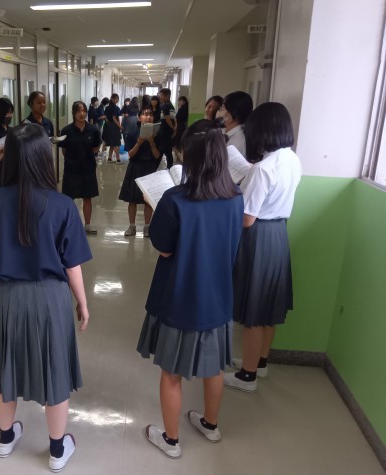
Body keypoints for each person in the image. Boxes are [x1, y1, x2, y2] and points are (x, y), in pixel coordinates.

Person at [0, 123, 92, 472]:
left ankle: (5, 439)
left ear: (10, 157)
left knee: (6, 370)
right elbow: (72, 265)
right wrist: (83, 303)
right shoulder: (62, 205)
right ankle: (57, 449)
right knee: (54, 371)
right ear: (45, 157)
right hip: (50, 299)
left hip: (9, 296)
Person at [137, 119, 244, 459]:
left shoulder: (175, 199)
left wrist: (155, 207)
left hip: (180, 298)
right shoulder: (235, 197)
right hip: (217, 298)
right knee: (214, 367)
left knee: (172, 373)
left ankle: (171, 441)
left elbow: (164, 248)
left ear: (190, 157)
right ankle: (211, 425)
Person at [224, 102, 302, 393]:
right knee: (268, 304)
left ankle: (247, 375)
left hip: (258, 238)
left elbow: (247, 219)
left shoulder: (263, 169)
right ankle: (261, 362)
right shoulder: (292, 159)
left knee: (254, 311)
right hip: (278, 234)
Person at [58, 101, 102, 235]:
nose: (82, 114)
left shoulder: (93, 130)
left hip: (88, 169)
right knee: (69, 199)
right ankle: (68, 225)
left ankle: (87, 225)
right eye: (78, 111)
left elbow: (96, 148)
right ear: (73, 113)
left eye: (84, 111)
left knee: (87, 198)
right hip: (71, 170)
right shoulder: (66, 130)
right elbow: (64, 150)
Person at [119, 107, 161, 238]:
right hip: (135, 167)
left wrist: (152, 143)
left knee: (148, 200)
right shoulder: (132, 131)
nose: (148, 117)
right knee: (132, 199)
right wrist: (139, 143)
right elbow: (129, 155)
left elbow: (157, 156)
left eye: (150, 115)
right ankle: (132, 226)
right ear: (139, 117)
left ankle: (147, 227)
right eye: (145, 114)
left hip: (150, 167)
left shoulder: (157, 133)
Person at [217, 91, 253, 156]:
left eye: (222, 108)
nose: (218, 111)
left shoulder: (239, 141)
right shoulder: (221, 132)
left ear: (232, 113)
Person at [156, 88, 176, 168]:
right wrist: (174, 128)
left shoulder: (165, 105)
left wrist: (172, 127)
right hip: (167, 132)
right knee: (168, 151)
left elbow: (167, 118)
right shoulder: (171, 105)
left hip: (165, 132)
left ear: (167, 96)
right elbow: (173, 118)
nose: (160, 97)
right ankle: (169, 168)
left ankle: (168, 168)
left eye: (162, 96)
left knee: (164, 150)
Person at [103, 93, 123, 163]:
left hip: (108, 126)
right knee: (117, 143)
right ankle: (118, 159)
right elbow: (114, 119)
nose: (117, 100)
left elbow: (106, 118)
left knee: (112, 143)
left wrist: (108, 124)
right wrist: (120, 127)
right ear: (113, 99)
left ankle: (109, 158)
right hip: (114, 126)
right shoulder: (116, 108)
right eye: (116, 99)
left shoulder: (107, 108)